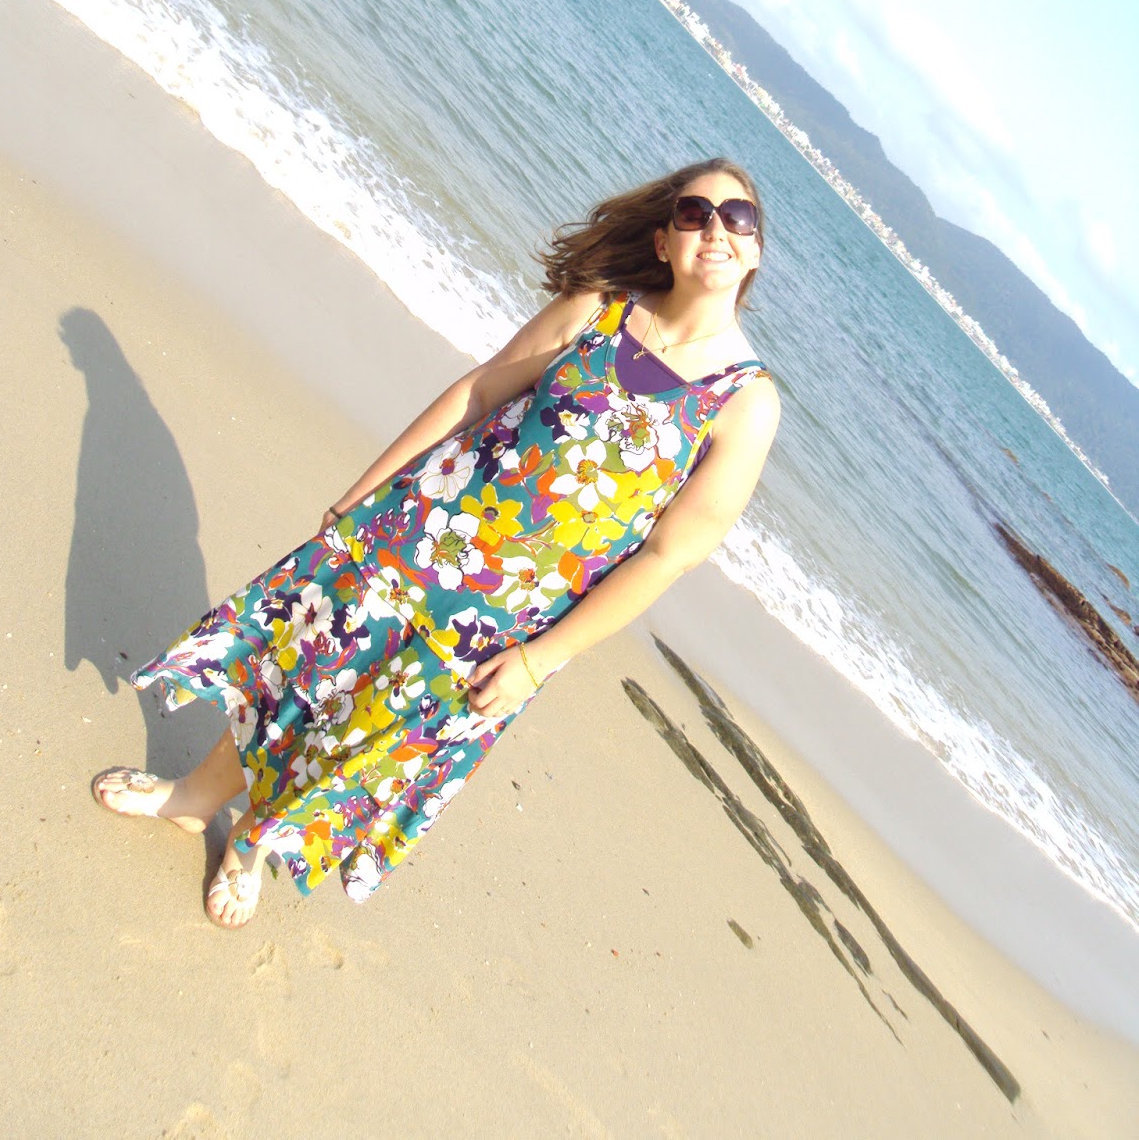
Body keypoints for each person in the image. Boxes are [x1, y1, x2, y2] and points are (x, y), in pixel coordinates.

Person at [93, 159, 780, 927]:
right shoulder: (599, 309)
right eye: (694, 213)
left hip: (505, 624)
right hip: (416, 537)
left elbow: (667, 557)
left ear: (755, 249)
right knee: (304, 674)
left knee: (365, 733)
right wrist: (361, 495)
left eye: (737, 219)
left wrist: (538, 660)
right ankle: (195, 796)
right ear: (662, 240)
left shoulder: (745, 403)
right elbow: (480, 391)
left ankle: (251, 844)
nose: (715, 229)